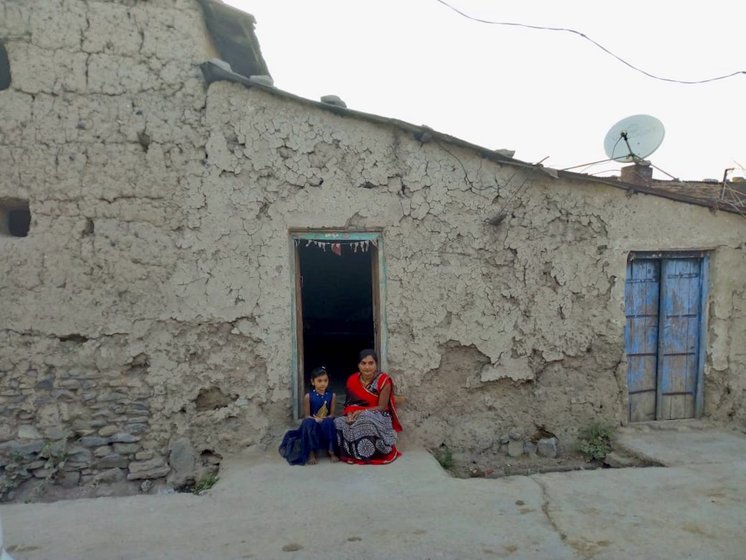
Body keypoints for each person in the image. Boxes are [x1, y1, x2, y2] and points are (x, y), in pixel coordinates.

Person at [334, 349, 402, 464]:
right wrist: (349, 414)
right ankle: (352, 455)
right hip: (356, 413)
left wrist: (362, 411)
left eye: (371, 363)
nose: (367, 367)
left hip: (379, 415)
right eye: (363, 363)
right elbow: (349, 404)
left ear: (376, 365)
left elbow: (382, 406)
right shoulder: (352, 380)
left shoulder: (383, 381)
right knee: (339, 422)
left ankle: (372, 455)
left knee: (365, 418)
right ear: (358, 365)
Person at [279, 366, 339, 465]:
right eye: (319, 381)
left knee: (329, 422)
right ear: (312, 382)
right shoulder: (308, 396)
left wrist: (324, 418)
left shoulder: (332, 395)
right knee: (308, 423)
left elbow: (332, 414)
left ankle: (331, 451)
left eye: (325, 380)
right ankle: (311, 452)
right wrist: (315, 419)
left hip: (325, 421)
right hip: (313, 421)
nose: (323, 383)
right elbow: (307, 415)